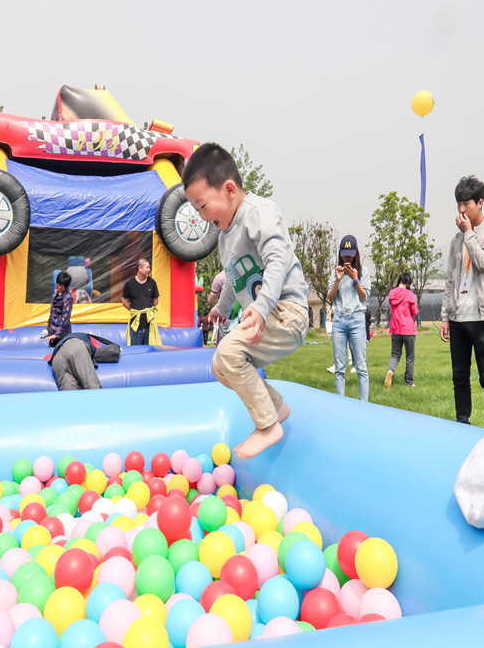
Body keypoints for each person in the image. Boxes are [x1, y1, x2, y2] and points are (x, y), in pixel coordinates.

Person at [183, 143, 309, 458]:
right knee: (220, 365)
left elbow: (278, 260)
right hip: (265, 315)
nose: (201, 217)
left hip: (286, 311)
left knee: (227, 352)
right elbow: (232, 276)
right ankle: (276, 409)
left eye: (201, 206)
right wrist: (221, 309)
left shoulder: (259, 213)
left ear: (228, 189)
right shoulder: (226, 236)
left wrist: (262, 307)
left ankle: (268, 426)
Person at [439, 175, 484, 430]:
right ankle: (461, 424)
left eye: (466, 203)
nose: (460, 210)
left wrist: (468, 234)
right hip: (458, 318)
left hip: (483, 316)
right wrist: (445, 316)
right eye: (458, 203)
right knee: (460, 377)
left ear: (480, 202)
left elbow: (483, 261)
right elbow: (449, 280)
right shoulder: (456, 240)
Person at [327, 235, 370, 400]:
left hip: (357, 320)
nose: (347, 258)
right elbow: (331, 298)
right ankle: (340, 404)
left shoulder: (363, 271)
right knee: (339, 367)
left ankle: (364, 404)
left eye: (350, 254)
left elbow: (364, 296)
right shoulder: (335, 272)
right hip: (339, 320)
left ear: (355, 253)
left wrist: (355, 279)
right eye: (344, 254)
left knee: (361, 366)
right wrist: (338, 280)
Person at [385, 272, 419, 387]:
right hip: (408, 329)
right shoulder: (409, 294)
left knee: (395, 355)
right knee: (410, 357)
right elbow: (414, 312)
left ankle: (390, 371)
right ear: (408, 282)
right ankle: (409, 382)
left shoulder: (392, 293)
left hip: (395, 329)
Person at [122, 259, 159, 345]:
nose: (149, 270)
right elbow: (124, 301)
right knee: (135, 349)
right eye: (147, 267)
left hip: (149, 325)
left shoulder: (152, 283)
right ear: (140, 268)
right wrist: (135, 310)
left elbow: (156, 300)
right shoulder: (130, 284)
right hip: (135, 325)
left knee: (149, 349)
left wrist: (148, 311)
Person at [45, 271, 73, 347]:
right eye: (58, 284)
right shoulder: (55, 290)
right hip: (52, 328)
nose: (59, 287)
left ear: (66, 286)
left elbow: (65, 318)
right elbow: (52, 309)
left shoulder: (67, 298)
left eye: (62, 285)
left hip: (61, 332)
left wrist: (57, 334)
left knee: (61, 353)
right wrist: (48, 324)